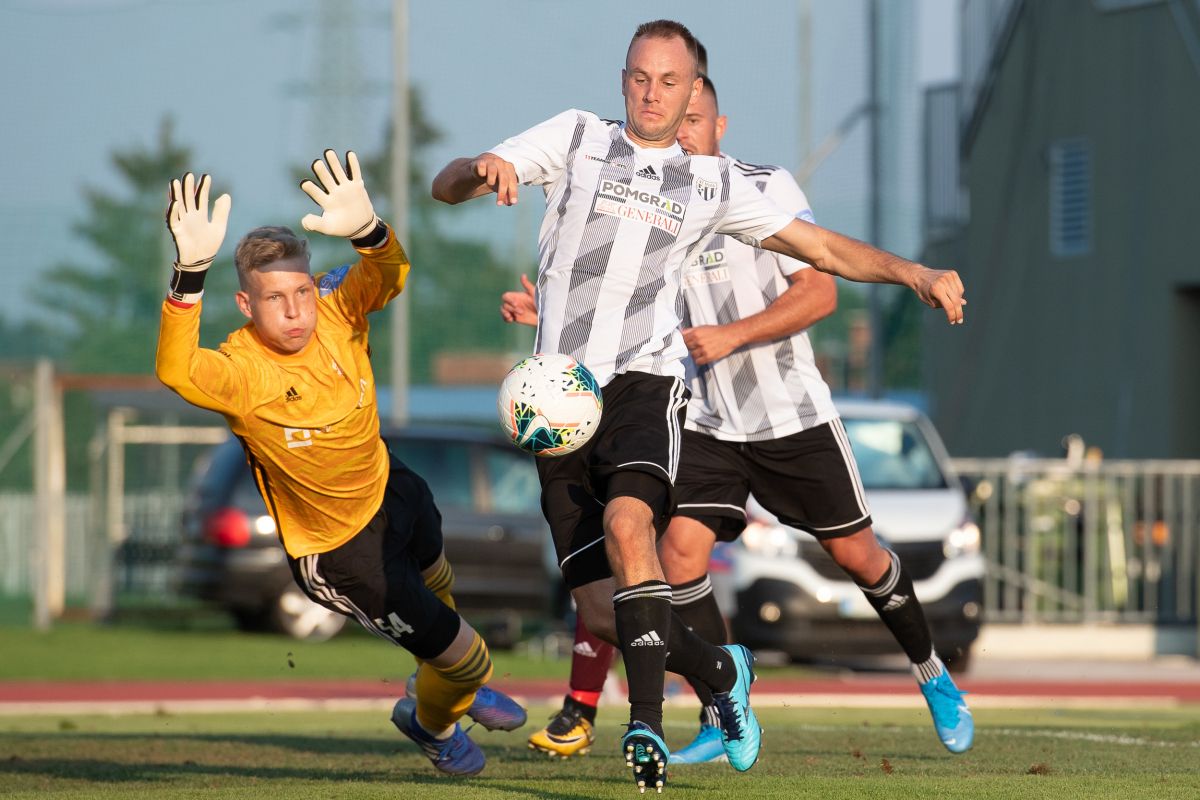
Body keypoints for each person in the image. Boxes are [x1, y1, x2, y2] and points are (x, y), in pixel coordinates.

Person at [433, 19, 966, 790]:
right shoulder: (578, 138)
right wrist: (478, 170)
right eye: (640, 78)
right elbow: (448, 186)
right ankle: (721, 672)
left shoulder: (715, 186)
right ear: (623, 79)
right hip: (562, 400)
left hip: (649, 390)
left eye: (670, 82)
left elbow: (821, 254)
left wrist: (914, 273)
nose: (653, 95)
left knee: (635, 527)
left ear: (695, 93)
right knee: (602, 610)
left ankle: (646, 727)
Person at [154, 151, 525, 777]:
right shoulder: (242, 371)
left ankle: (445, 680)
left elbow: (390, 275)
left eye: (301, 291)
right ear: (245, 304)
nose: (295, 310)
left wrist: (369, 230)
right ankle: (432, 722)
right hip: (342, 552)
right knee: (470, 660)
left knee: (439, 587)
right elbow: (175, 368)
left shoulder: (334, 305)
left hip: (392, 486)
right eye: (275, 298)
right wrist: (190, 273)